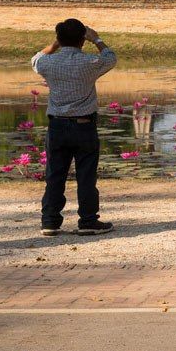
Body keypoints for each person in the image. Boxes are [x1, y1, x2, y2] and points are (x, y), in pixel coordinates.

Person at [31, 18, 118, 236]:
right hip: (84, 126)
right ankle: (88, 220)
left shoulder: (48, 63)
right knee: (86, 176)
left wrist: (55, 45)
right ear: (83, 40)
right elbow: (110, 58)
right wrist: (96, 39)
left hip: (57, 126)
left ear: (59, 39)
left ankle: (50, 221)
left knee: (55, 175)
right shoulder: (89, 63)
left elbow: (36, 58)